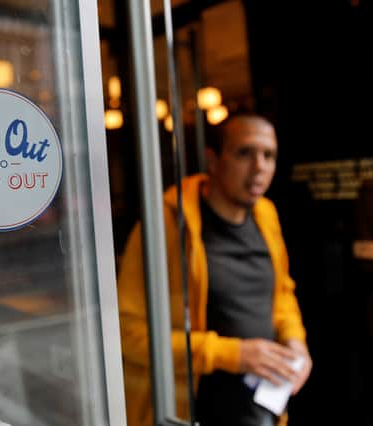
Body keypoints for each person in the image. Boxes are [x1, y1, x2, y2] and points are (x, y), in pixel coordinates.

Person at [117, 113, 312, 426]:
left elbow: (281, 294)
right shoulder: (167, 224)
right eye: (244, 153)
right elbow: (130, 336)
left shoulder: (266, 215)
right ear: (213, 159)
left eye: (269, 155)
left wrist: (294, 340)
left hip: (261, 411)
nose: (259, 167)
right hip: (193, 411)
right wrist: (233, 354)